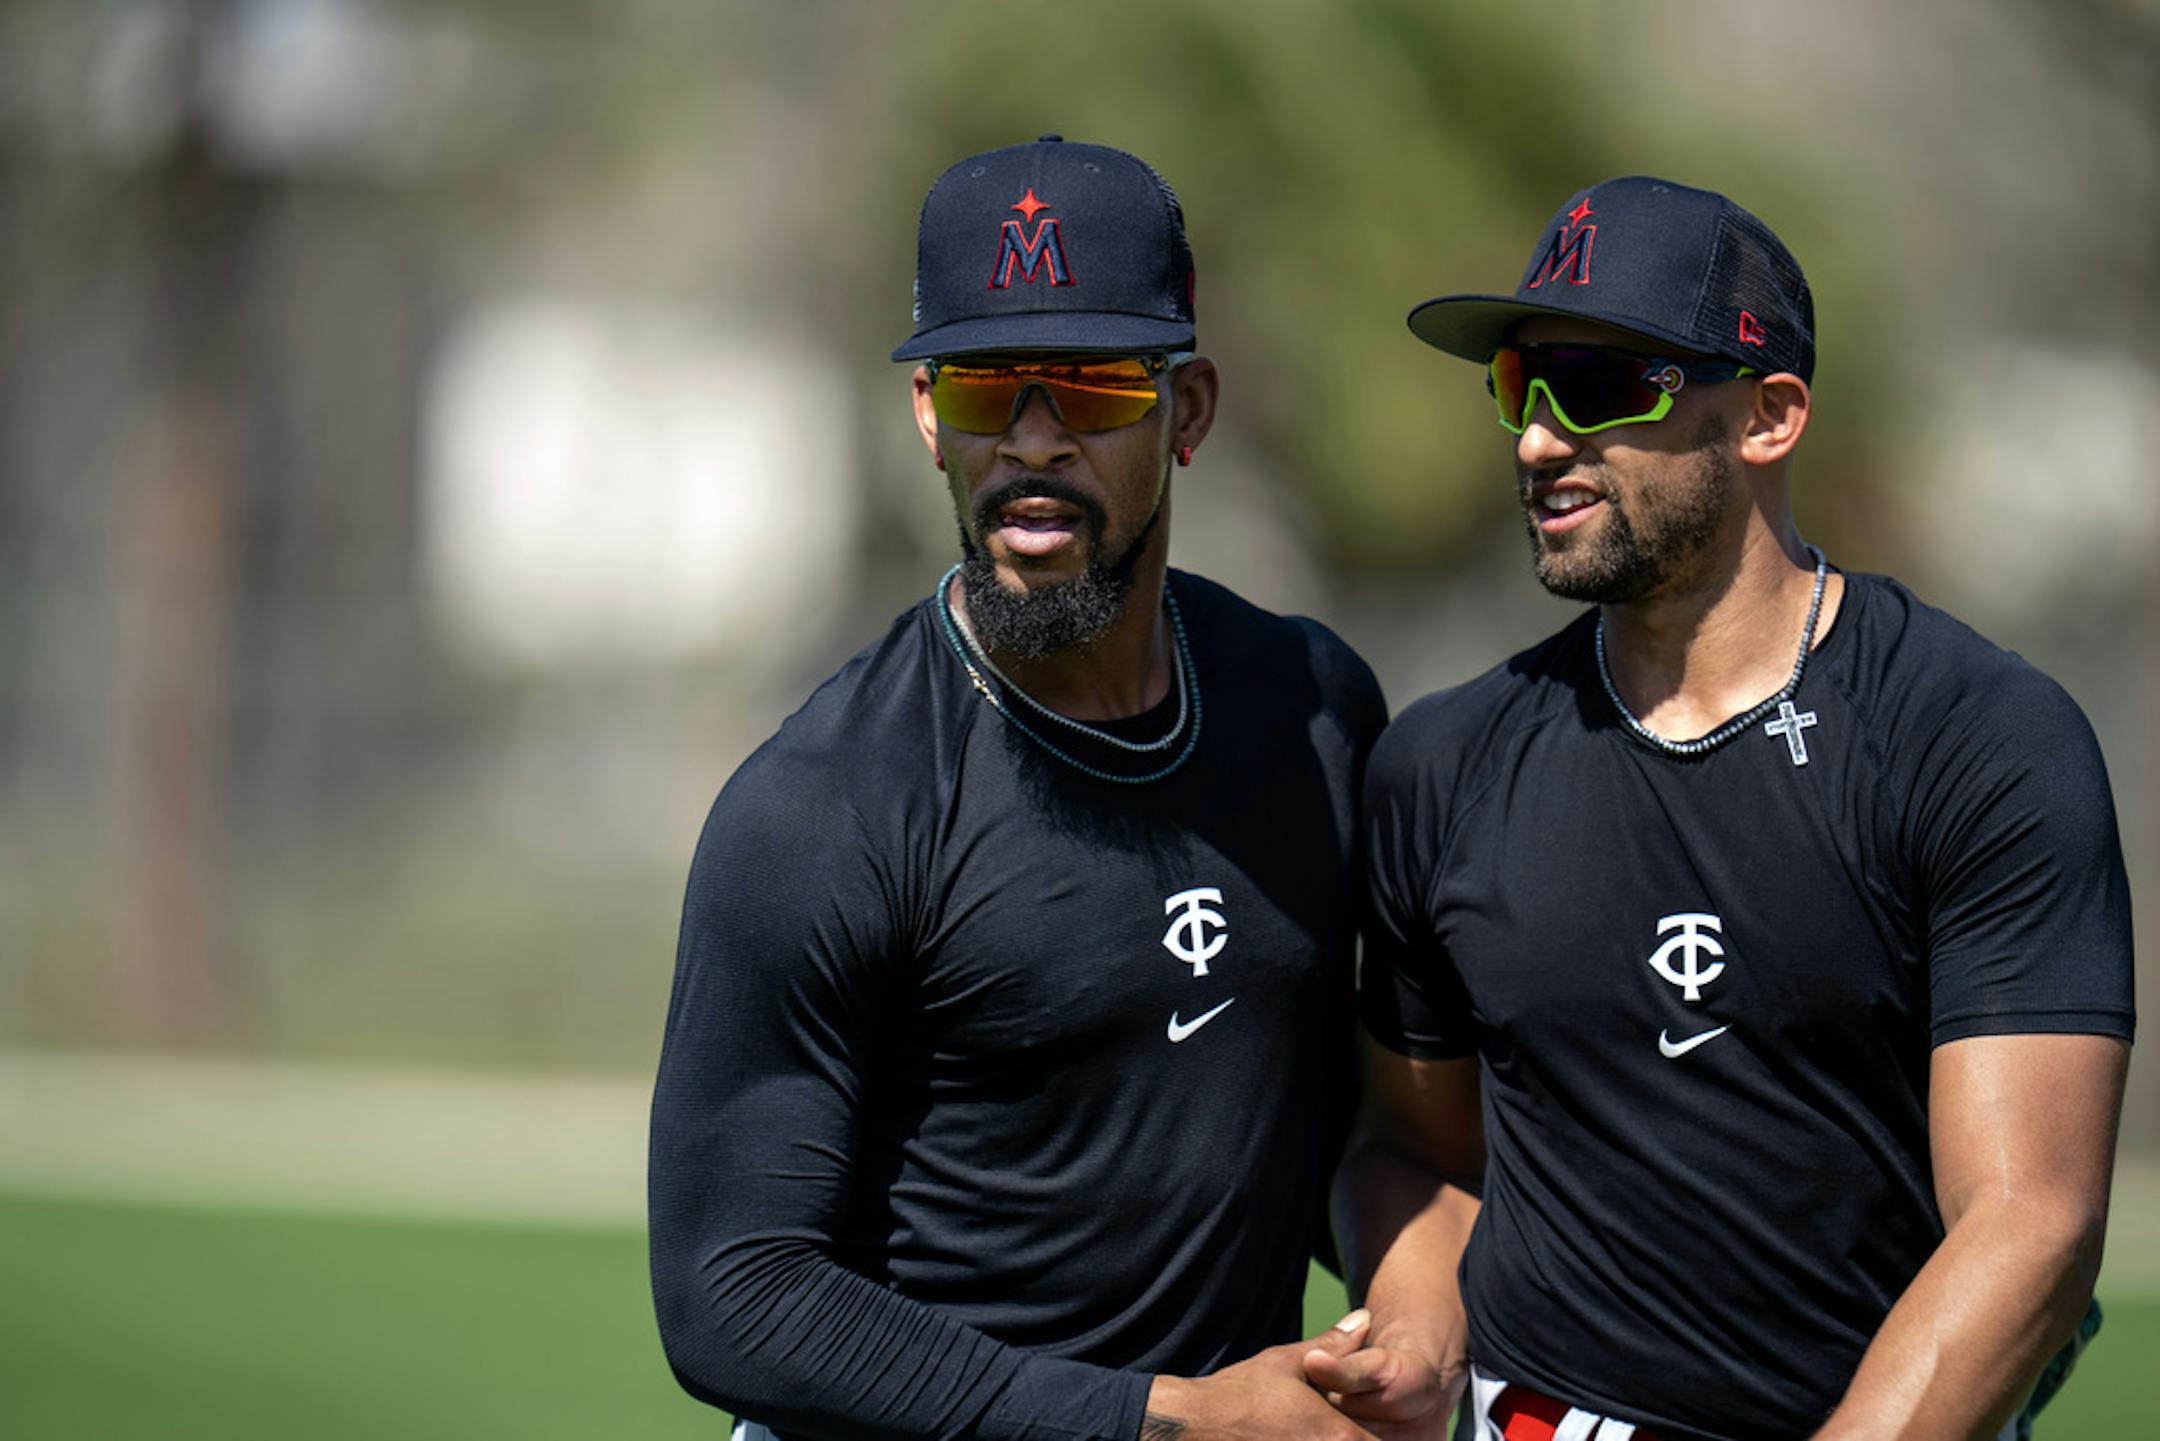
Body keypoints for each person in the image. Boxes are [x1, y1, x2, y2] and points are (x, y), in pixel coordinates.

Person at [1307, 177, 2136, 1441]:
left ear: (1769, 416)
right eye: (1520, 386)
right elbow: (1416, 1152)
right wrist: (1418, 1332)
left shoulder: (1977, 738)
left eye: (1597, 386)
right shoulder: (1442, 763)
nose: (1537, 440)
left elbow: (2032, 1219)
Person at [649, 135, 1391, 1441]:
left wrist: (1422, 1326)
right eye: (987, 388)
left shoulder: (1313, 713)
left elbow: (1349, 1133)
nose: (1032, 442)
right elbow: (734, 1293)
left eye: (1092, 387)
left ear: (1190, 410)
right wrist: (1166, 1421)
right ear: (928, 414)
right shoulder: (823, 806)